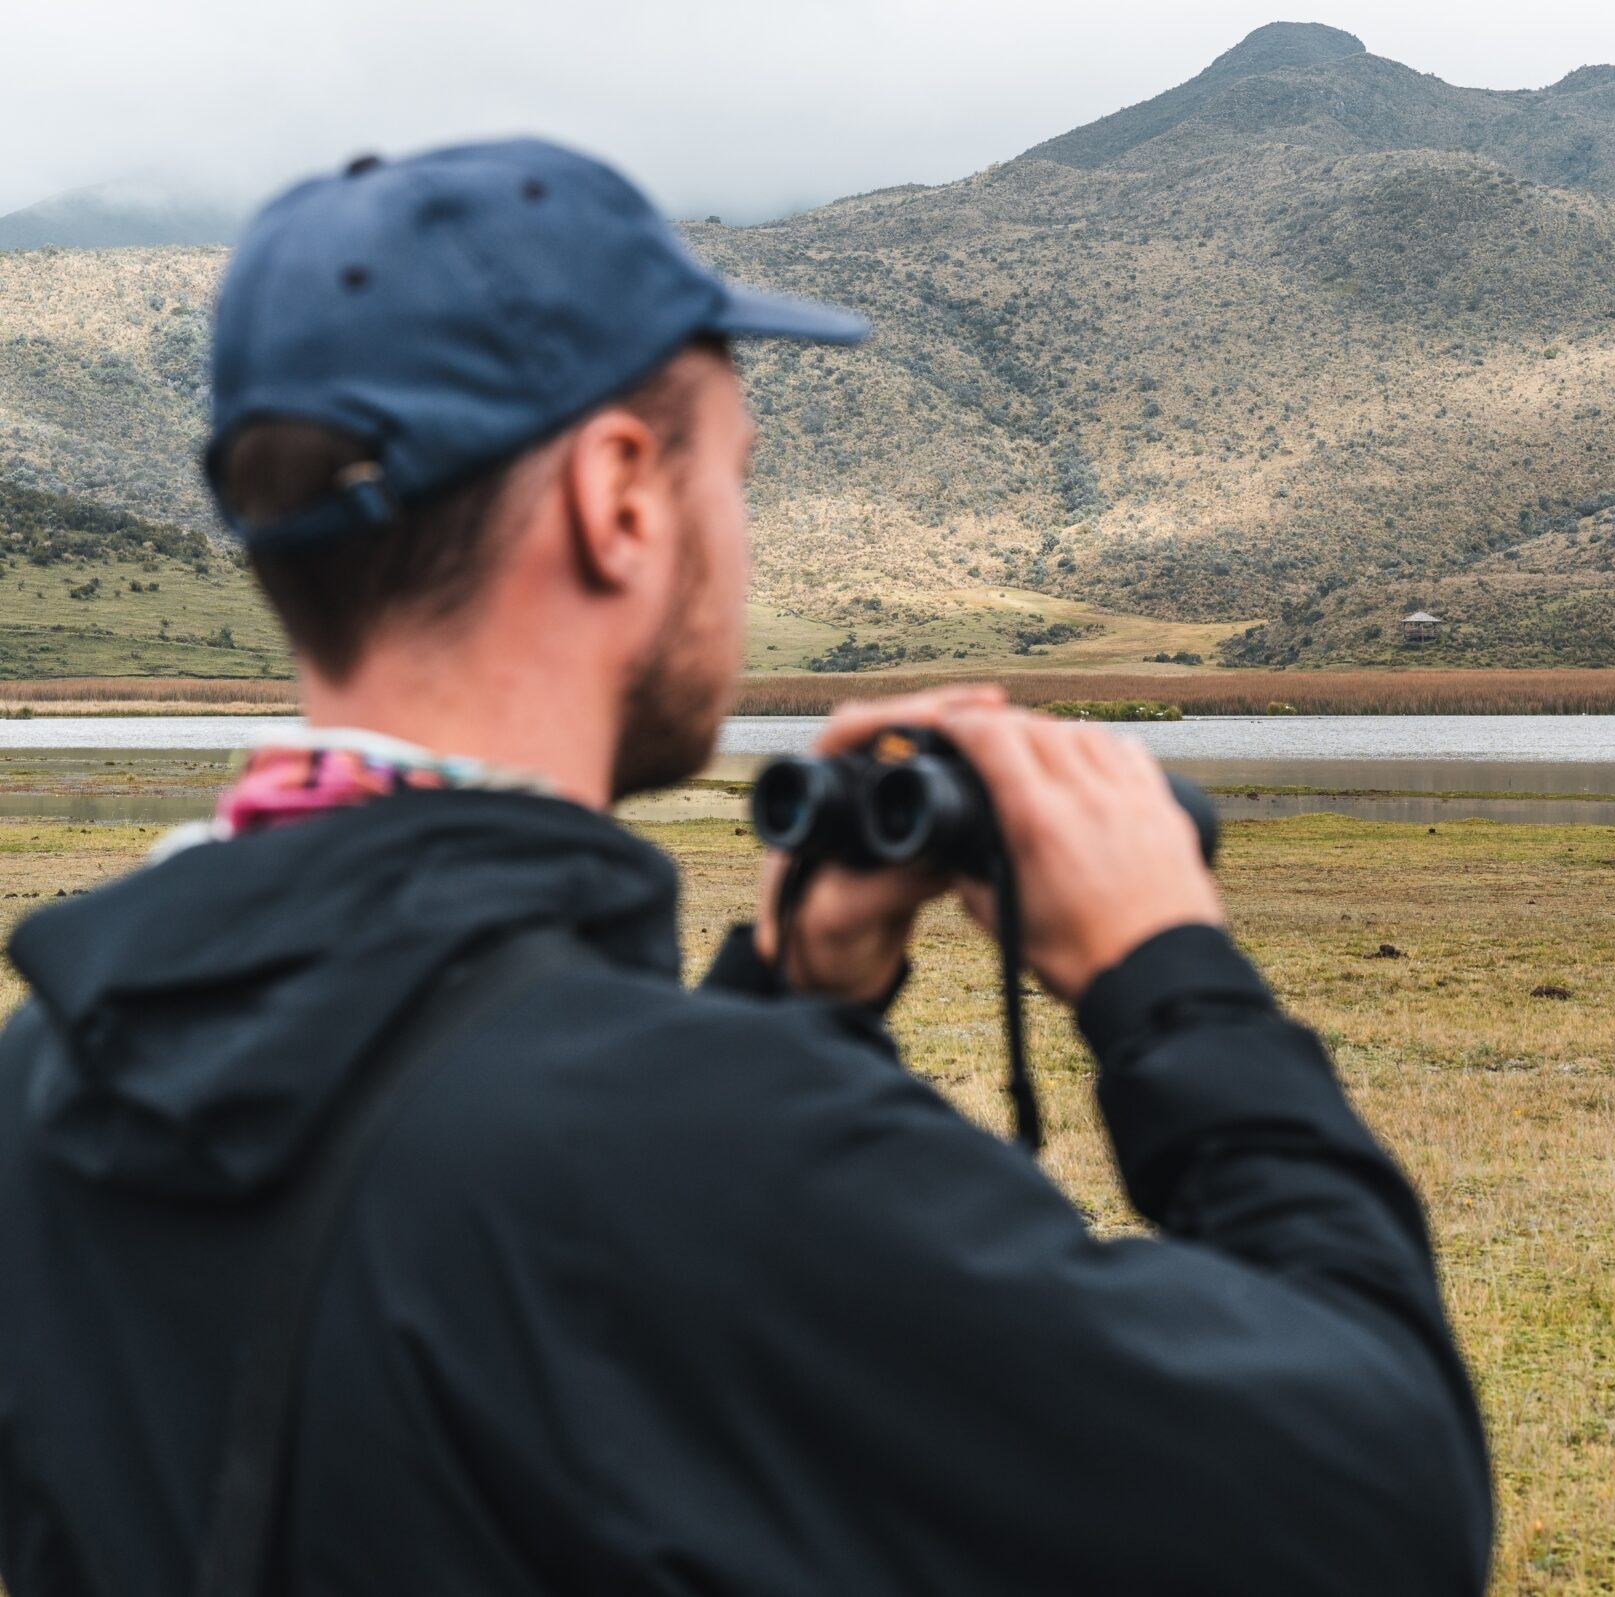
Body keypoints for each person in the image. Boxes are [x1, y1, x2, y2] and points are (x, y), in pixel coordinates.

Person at [0, 140, 1490, 1595]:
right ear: (622, 495)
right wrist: (1175, 983)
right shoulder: (679, 1144)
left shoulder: (56, 1074)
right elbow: (1386, 1494)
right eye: (738, 479)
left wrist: (789, 996)